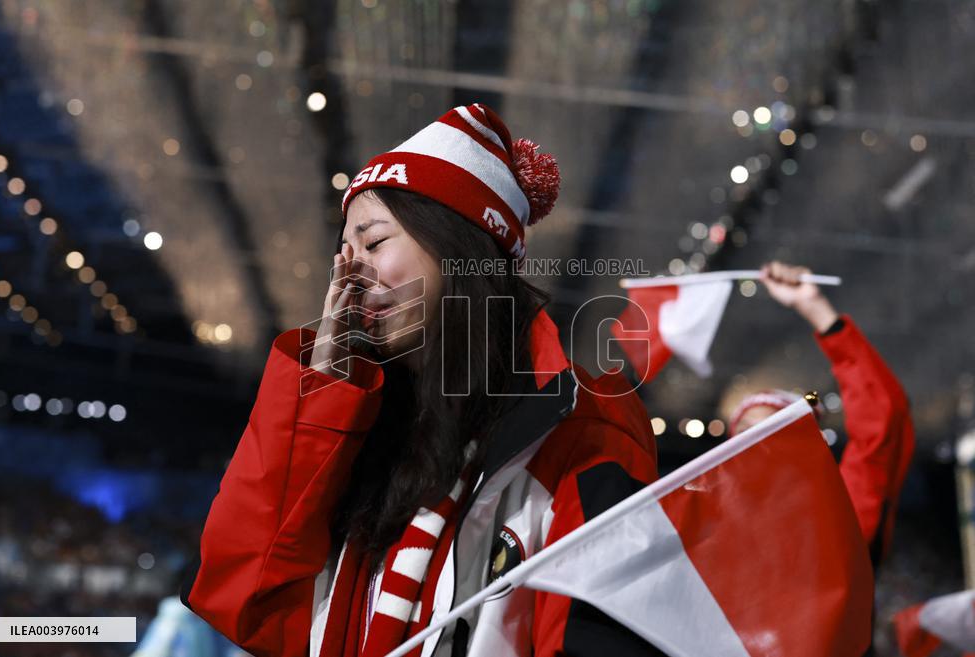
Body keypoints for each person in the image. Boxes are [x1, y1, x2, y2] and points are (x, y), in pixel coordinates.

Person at [180, 103, 665, 657]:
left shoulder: (580, 429)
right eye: (346, 250)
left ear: (457, 249)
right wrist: (321, 395)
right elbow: (246, 599)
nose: (350, 273)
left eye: (374, 242)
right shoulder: (366, 431)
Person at [728, 261, 916, 568]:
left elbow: (882, 419)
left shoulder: (838, 513)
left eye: (772, 429)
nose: (753, 439)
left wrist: (815, 308)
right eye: (745, 429)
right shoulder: (715, 528)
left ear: (808, 445)